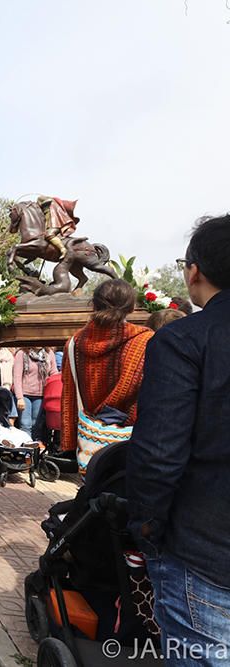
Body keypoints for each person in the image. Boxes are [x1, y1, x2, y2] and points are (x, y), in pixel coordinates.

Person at [127, 215, 230, 662]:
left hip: (207, 551)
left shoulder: (185, 340)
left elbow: (158, 456)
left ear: (194, 271)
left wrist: (146, 529)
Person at [61, 280, 153, 458]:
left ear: (93, 305)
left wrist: (69, 445)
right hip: (133, 443)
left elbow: (69, 397)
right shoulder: (145, 342)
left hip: (90, 443)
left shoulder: (74, 344)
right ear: (132, 307)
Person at [12, 348, 57, 439]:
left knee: (37, 423)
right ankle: (26, 448)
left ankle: (35, 447)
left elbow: (53, 372)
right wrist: (20, 397)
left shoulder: (49, 353)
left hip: (41, 394)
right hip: (24, 394)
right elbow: (17, 377)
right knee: (25, 423)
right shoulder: (22, 353)